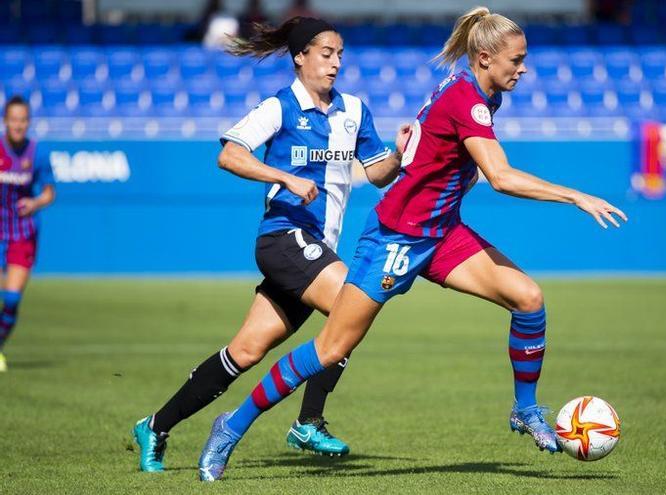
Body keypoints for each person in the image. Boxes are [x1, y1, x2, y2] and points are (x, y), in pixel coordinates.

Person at [197, 6, 627, 482]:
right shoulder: (469, 99)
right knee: (329, 346)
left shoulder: (479, 91)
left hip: (441, 232)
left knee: (528, 298)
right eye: (516, 60)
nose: (523, 68)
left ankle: (525, 410)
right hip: (396, 236)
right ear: (484, 58)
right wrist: (575, 195)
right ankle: (230, 427)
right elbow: (500, 177)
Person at [131, 17, 410, 472]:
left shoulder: (354, 110)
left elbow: (378, 173)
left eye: (340, 54)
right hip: (284, 238)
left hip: (315, 249)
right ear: (300, 57)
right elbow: (229, 154)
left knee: (243, 352)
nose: (336, 62)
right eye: (326, 53)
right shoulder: (279, 108)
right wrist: (283, 176)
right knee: (353, 304)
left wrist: (398, 155)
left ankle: (155, 425)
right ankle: (309, 421)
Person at [0, 96, 56, 372]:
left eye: (23, 119)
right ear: (5, 121)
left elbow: (49, 192)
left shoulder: (37, 153)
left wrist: (35, 203)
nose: (18, 124)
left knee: (11, 300)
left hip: (22, 231)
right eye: (14, 119)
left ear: (28, 121)